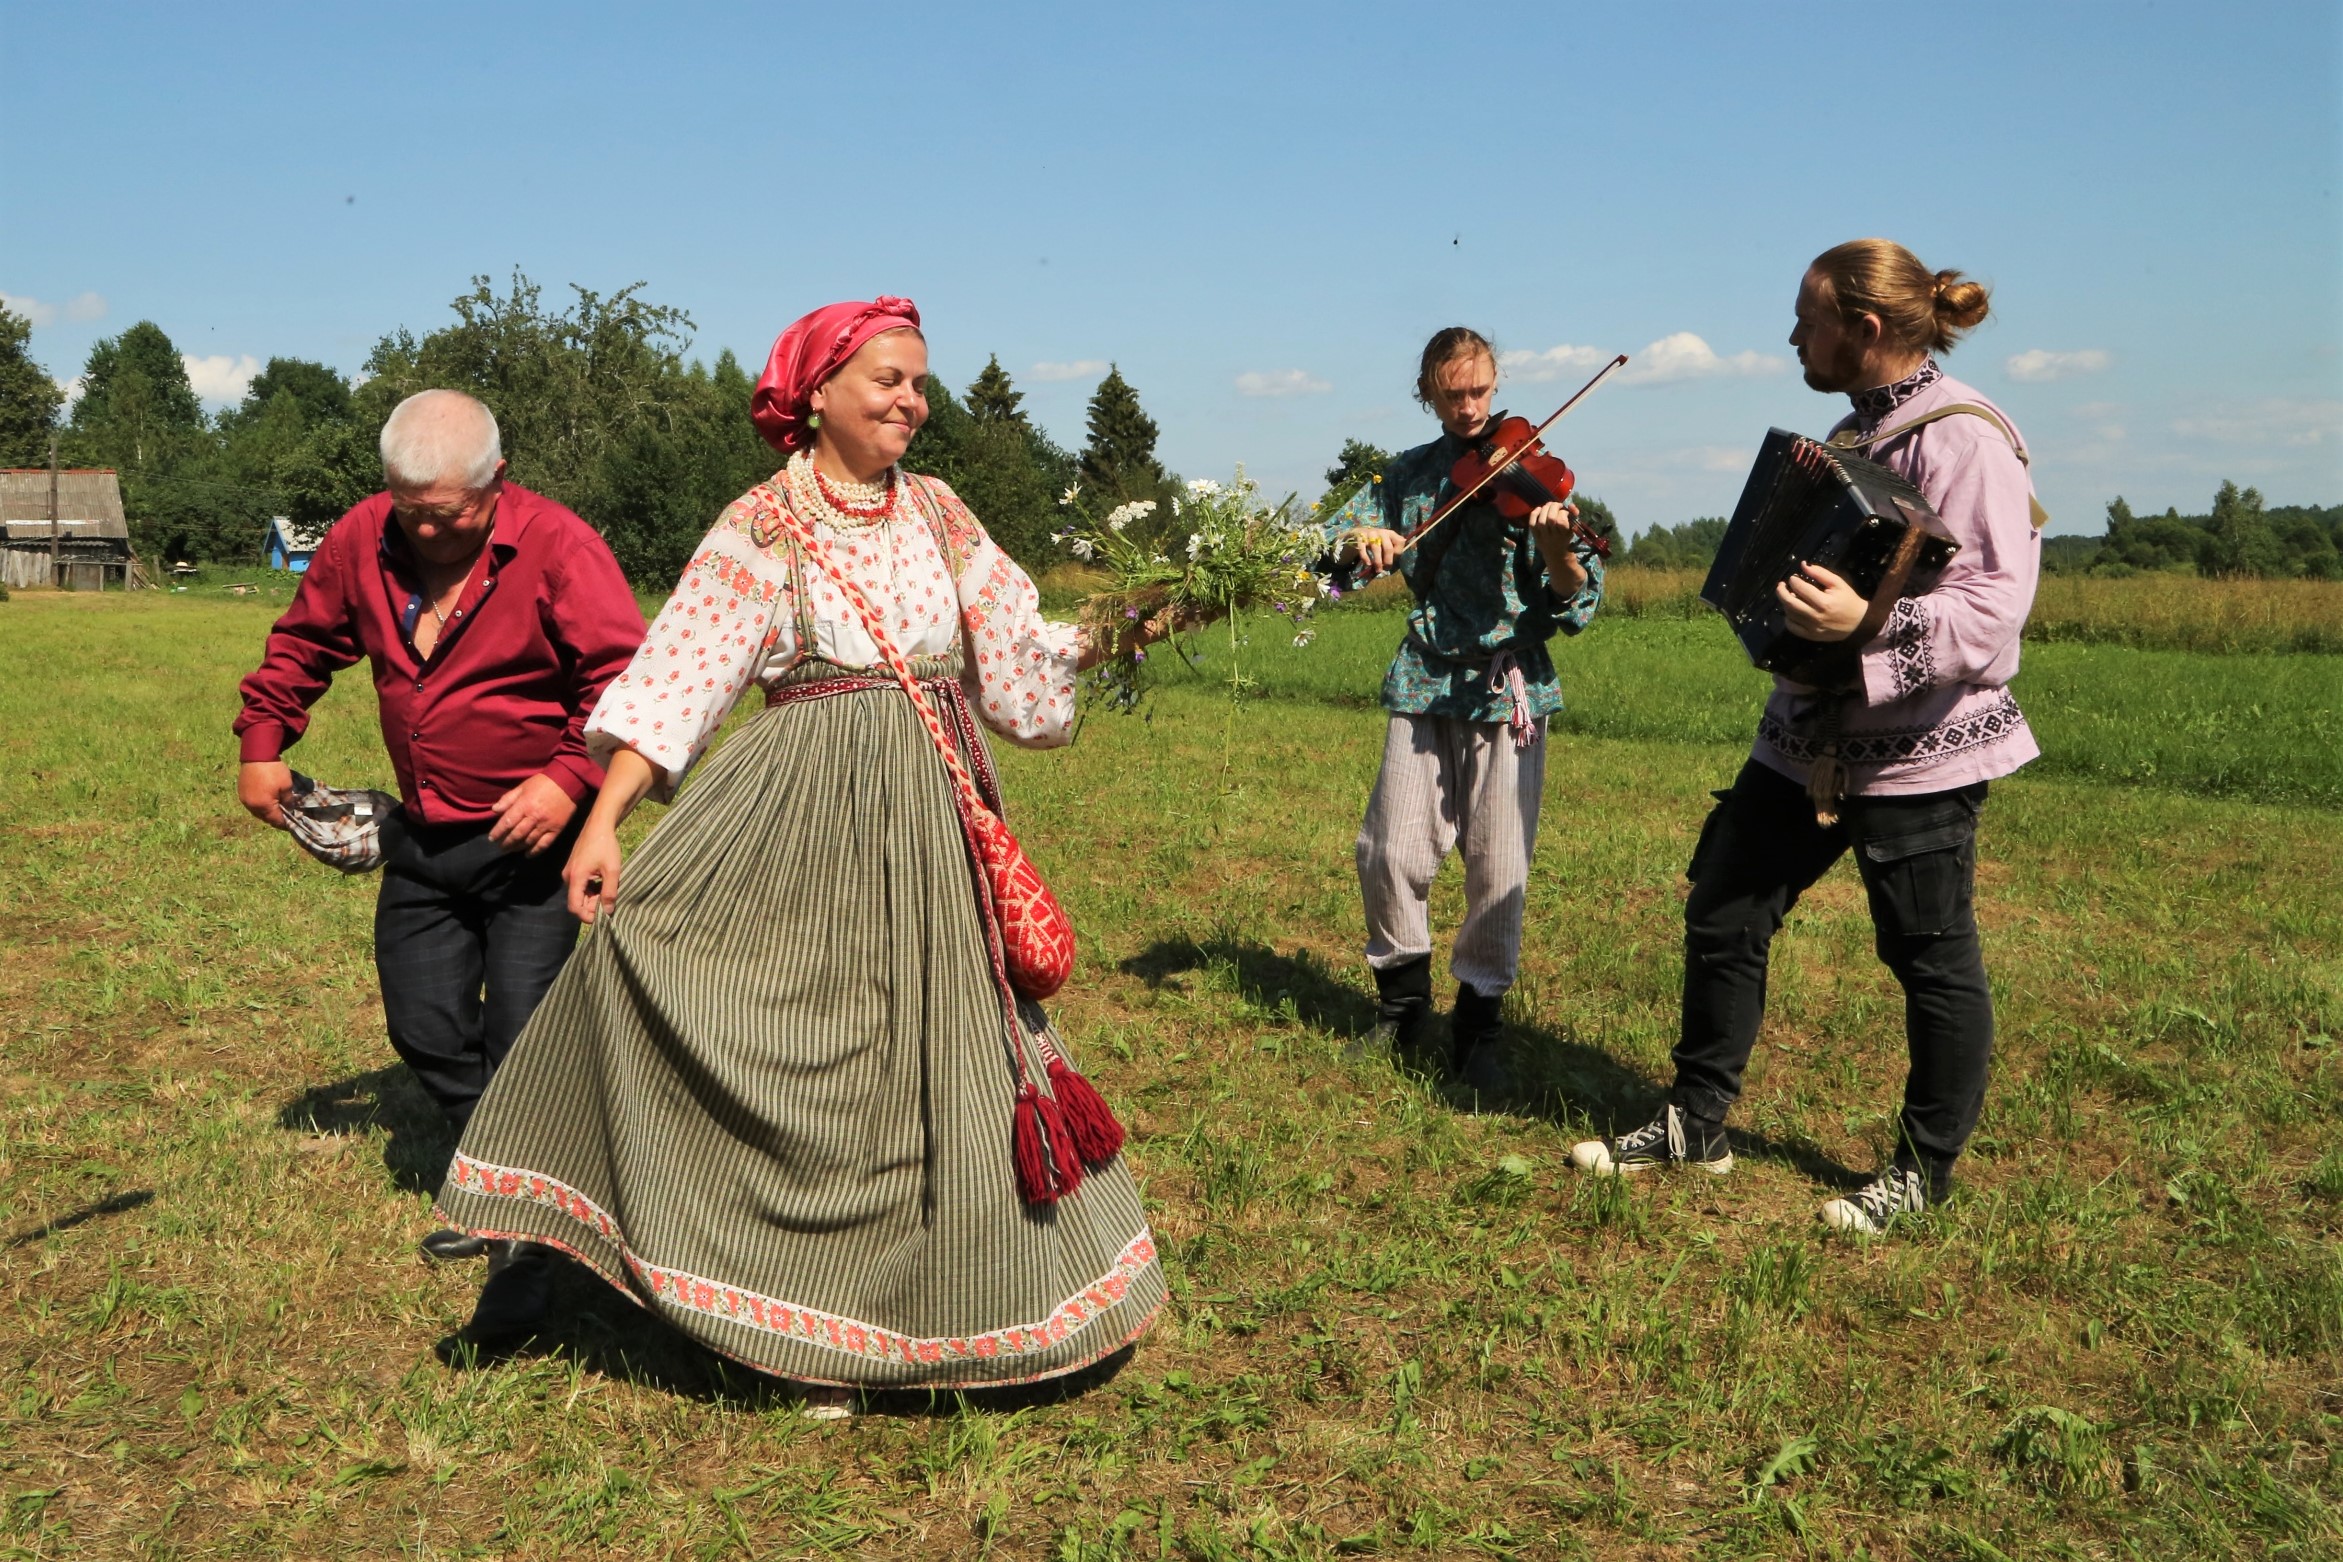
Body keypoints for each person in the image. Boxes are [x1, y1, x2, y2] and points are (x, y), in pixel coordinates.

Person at [431, 297, 1168, 1407]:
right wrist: (603, 818)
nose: (912, 403)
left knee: (935, 1051)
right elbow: (682, 675)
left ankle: (944, 1303)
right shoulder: (763, 522)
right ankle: (787, 1312)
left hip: (930, 811)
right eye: (888, 380)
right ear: (817, 392)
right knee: (810, 1047)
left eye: (920, 383)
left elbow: (1021, 647)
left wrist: (1139, 622)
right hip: (801, 814)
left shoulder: (941, 510)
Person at [1570, 239, 2043, 1235]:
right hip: (1804, 737)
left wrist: (1865, 624)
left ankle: (1920, 1172)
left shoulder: (1967, 439)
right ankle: (1697, 1123)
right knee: (1725, 908)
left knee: (1927, 954)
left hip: (1920, 750)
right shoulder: (1849, 434)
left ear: (1862, 328)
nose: (1792, 336)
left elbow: (1995, 611)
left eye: (1807, 319)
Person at [234, 390, 645, 1261]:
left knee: (523, 1034)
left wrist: (567, 781)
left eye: (448, 513)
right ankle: (509, 1171)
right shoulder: (361, 537)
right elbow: (304, 642)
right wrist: (263, 742)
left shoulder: (561, 548)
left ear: (498, 480)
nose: (424, 530)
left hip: (534, 843)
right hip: (422, 834)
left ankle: (525, 1223)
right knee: (423, 1026)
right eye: (409, 509)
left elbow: (623, 684)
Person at [1321, 328, 1605, 1098]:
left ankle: (1478, 1027)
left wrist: (1558, 551)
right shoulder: (1408, 474)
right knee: (1387, 850)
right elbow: (1325, 555)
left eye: (1479, 390)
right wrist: (1358, 539)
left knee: (1497, 865)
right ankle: (1401, 1007)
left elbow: (1577, 601)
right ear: (1428, 395)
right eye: (1452, 395)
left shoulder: (1534, 471)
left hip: (1507, 687)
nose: (1470, 408)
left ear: (1495, 382)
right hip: (1423, 677)